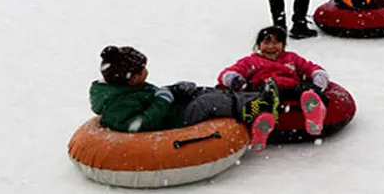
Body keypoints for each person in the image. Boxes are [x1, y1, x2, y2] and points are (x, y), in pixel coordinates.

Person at [89, 45, 281, 152]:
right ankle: (253, 109)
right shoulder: (117, 105)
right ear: (132, 78)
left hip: (172, 111)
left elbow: (152, 96)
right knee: (206, 104)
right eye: (142, 70)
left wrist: (175, 90)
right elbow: (142, 123)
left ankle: (257, 97)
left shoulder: (130, 88)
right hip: (172, 122)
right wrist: (163, 100)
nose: (146, 72)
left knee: (202, 92)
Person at [217, 26, 329, 136]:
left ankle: (314, 115)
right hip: (266, 88)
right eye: (266, 43)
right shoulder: (251, 61)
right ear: (259, 45)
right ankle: (263, 124)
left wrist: (318, 77)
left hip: (291, 87)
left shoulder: (291, 58)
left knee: (308, 91)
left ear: (283, 45)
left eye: (276, 43)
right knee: (264, 99)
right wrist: (233, 79)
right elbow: (229, 72)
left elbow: (310, 68)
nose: (271, 47)